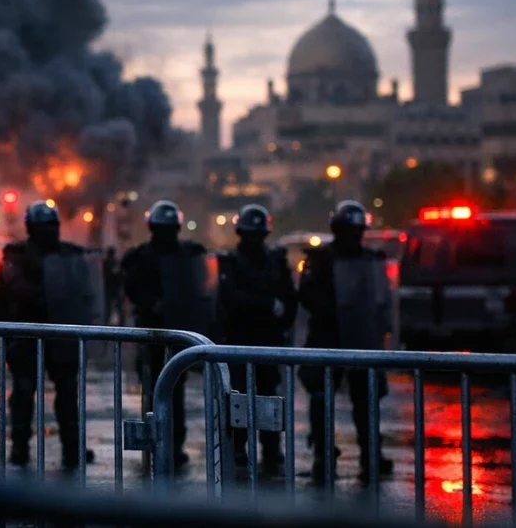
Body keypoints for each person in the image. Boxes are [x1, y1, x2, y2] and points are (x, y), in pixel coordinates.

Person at [0, 200, 95, 472]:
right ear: (31, 228)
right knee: (23, 391)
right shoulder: (16, 256)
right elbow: (4, 290)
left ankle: (72, 447)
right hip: (27, 334)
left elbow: (84, 291)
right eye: (41, 226)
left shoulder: (70, 255)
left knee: (67, 392)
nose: (46, 231)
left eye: (50, 226)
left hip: (61, 332)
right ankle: (20, 447)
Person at [298, 200, 393, 484]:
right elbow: (306, 296)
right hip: (327, 338)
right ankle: (323, 455)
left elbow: (381, 302)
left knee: (366, 400)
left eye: (357, 231)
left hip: (361, 338)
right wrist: (329, 310)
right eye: (349, 230)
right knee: (321, 398)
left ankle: (371, 454)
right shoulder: (320, 260)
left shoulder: (370, 260)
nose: (354, 236)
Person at [121, 200, 212, 469]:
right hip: (151, 333)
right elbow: (133, 290)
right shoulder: (141, 258)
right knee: (153, 392)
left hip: (177, 332)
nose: (167, 234)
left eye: (170, 229)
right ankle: (155, 444)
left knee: (176, 390)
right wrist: (152, 303)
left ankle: (175, 445)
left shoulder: (188, 255)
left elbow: (200, 286)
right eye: (163, 229)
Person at [218, 204, 297, 472]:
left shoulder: (275, 261)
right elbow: (230, 298)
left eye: (258, 235)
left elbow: (289, 297)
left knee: (267, 396)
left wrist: (283, 322)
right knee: (239, 396)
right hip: (240, 339)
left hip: (268, 339)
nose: (254, 240)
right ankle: (238, 448)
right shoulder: (231, 262)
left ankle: (272, 450)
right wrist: (266, 305)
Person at [103, 247, 122, 324]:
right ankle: (107, 321)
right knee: (111, 306)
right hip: (111, 287)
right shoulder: (108, 263)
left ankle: (108, 321)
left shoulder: (111, 262)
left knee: (114, 306)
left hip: (113, 287)